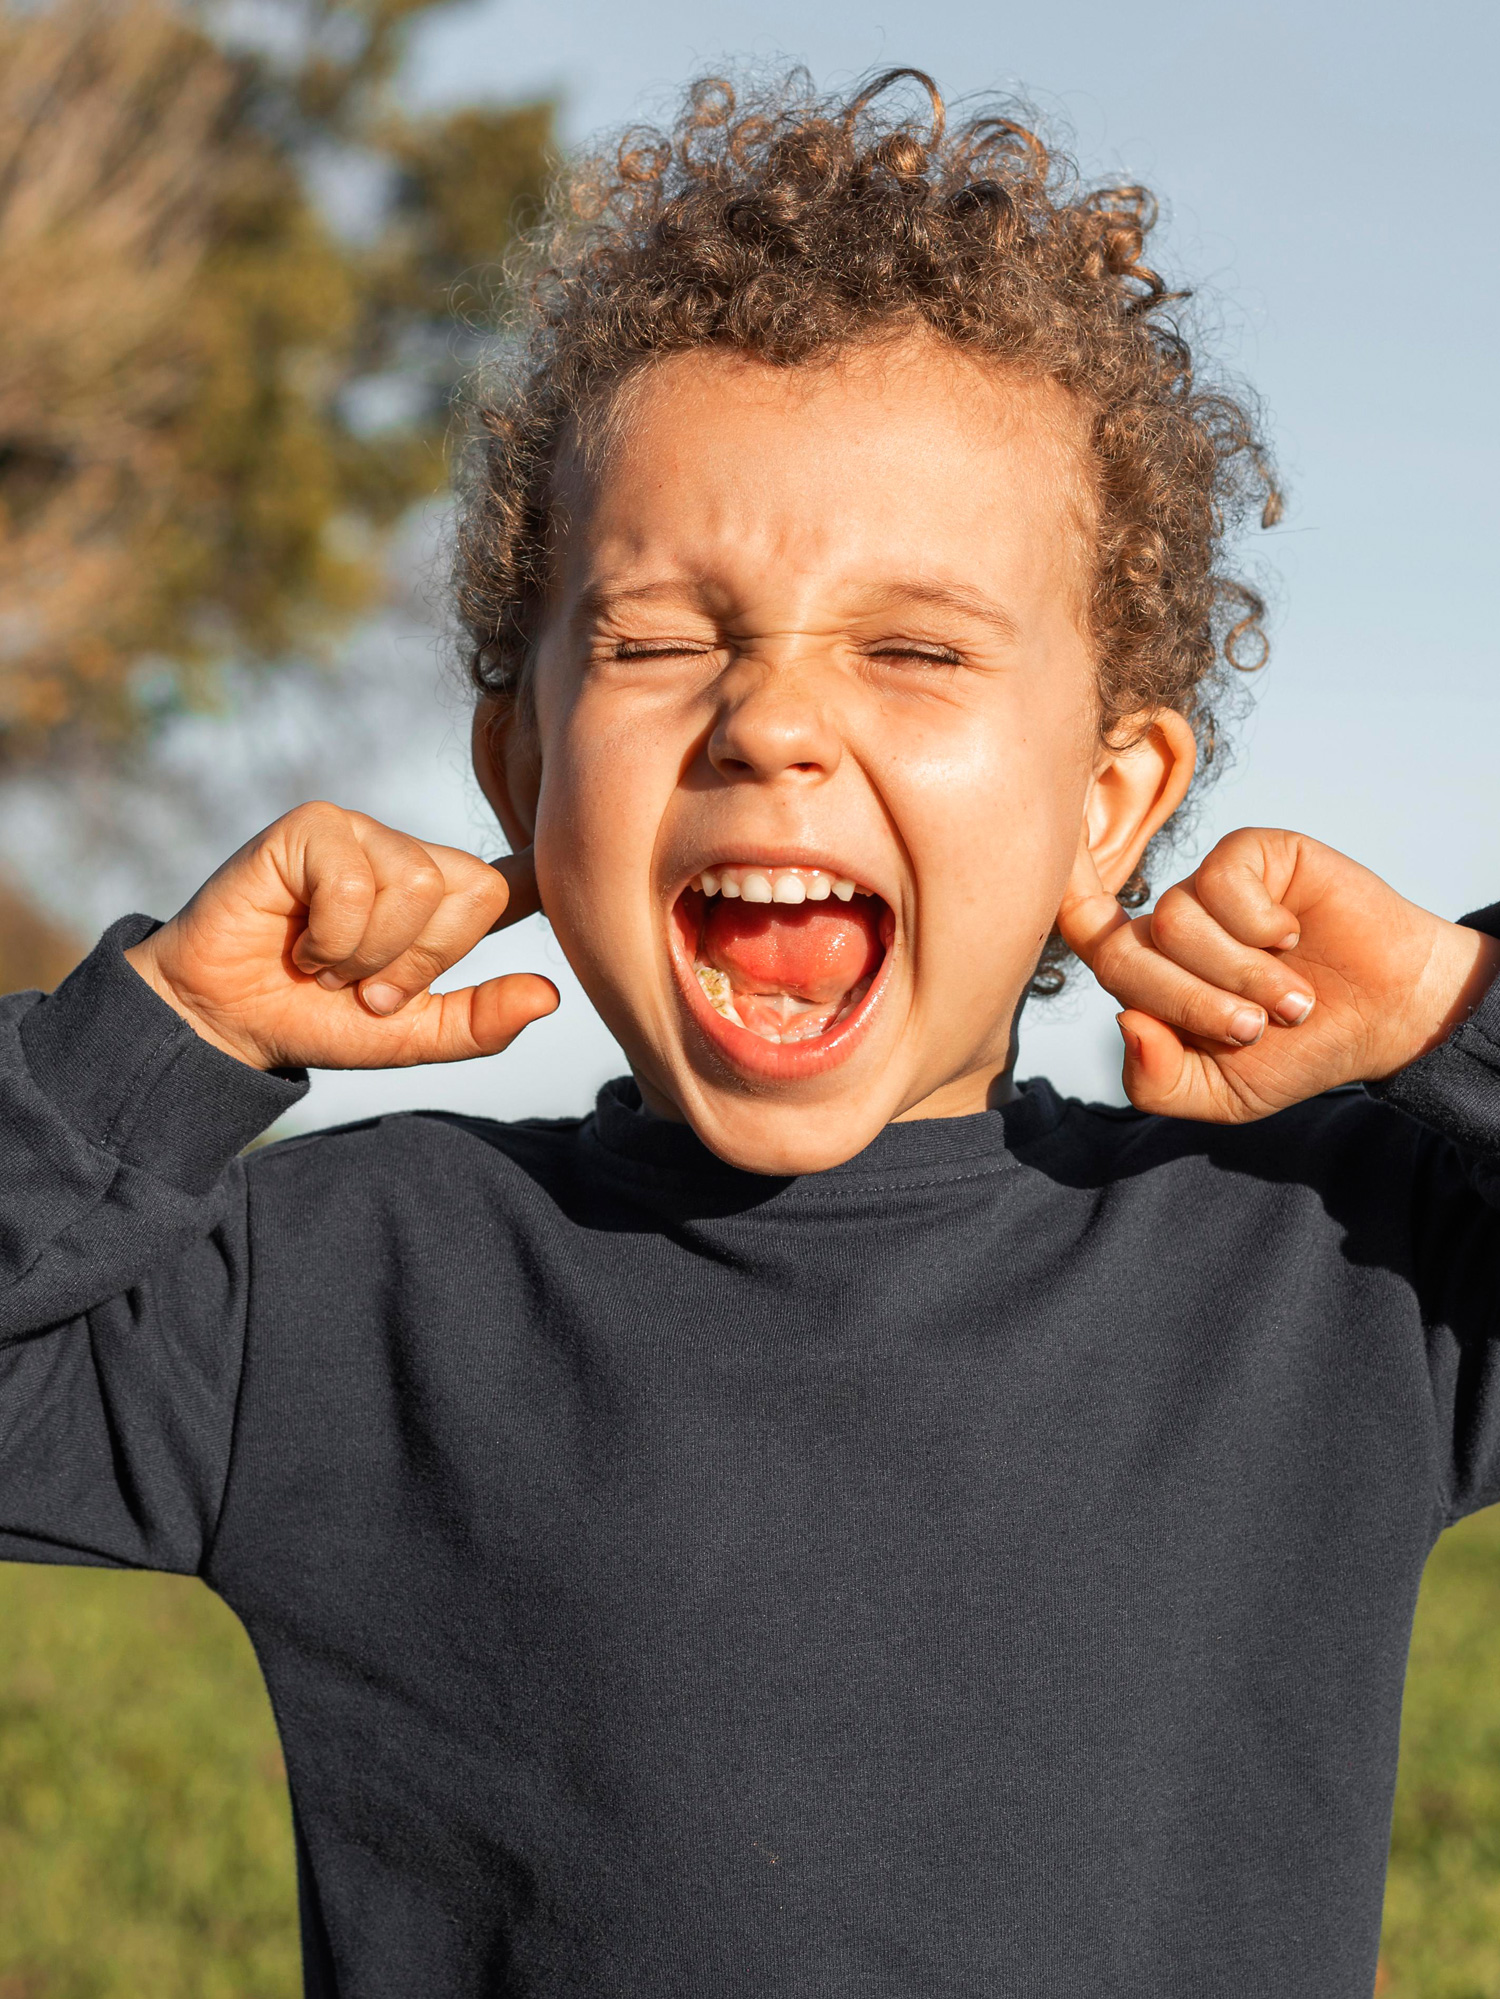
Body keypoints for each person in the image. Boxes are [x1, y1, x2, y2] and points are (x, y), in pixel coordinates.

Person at [2, 68, 1496, 1999]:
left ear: (1111, 801)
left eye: (915, 646)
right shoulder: (346, 1293)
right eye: (656, 640)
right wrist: (166, 1039)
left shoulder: (1332, 1273)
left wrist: (1457, 1017)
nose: (769, 722)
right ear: (523, 769)